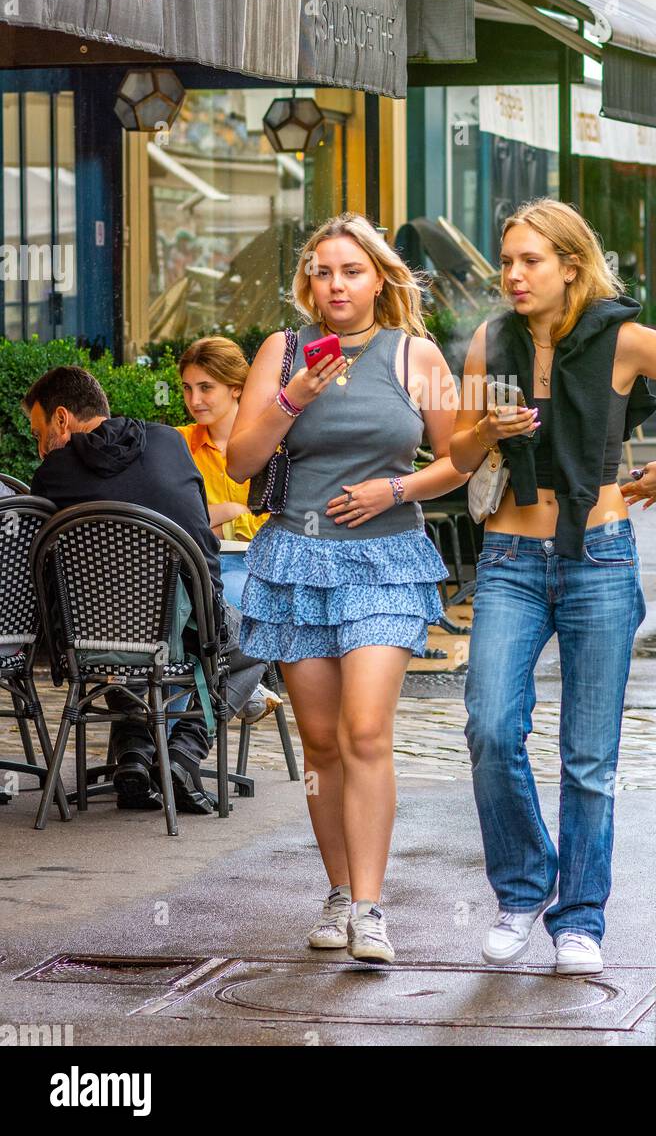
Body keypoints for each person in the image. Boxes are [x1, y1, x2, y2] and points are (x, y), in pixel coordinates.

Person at [449, 199, 656, 977]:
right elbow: (451, 448)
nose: (512, 275)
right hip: (513, 559)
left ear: (570, 266)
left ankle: (578, 919)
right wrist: (487, 431)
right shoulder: (491, 341)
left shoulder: (620, 337)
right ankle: (521, 891)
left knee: (589, 757)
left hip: (600, 559)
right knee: (488, 727)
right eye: (506, 260)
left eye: (529, 261)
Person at [226, 212, 466, 963]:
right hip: (296, 559)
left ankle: (370, 908)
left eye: (352, 270)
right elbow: (239, 460)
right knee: (323, 743)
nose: (336, 284)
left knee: (366, 730)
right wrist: (293, 395)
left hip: (387, 559)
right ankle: (336, 894)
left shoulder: (414, 354)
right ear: (308, 282)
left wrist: (393, 489)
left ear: (378, 279)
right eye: (324, 271)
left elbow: (460, 460)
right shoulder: (283, 350)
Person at [23, 366, 265, 814]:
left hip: (86, 642)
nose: (40, 447)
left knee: (118, 638)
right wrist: (211, 615)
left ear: (61, 419)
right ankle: (183, 754)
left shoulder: (52, 476)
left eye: (40, 433)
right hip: (175, 628)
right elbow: (200, 537)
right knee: (260, 629)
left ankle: (135, 750)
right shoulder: (168, 443)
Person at [175, 336, 279, 725]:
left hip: (252, 565)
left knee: (226, 607)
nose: (194, 399)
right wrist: (232, 509)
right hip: (192, 564)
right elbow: (172, 513)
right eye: (187, 388)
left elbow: (270, 521)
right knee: (165, 619)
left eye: (206, 388)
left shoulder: (268, 443)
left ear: (237, 388)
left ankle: (179, 748)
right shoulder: (178, 442)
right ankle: (245, 687)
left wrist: (212, 517)